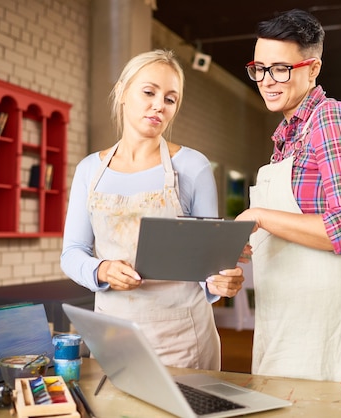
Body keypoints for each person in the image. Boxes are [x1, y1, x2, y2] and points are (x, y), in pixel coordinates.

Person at [60, 49, 246, 371]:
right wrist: (101, 270)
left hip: (181, 338)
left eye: (170, 99)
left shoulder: (192, 167)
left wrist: (220, 281)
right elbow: (72, 253)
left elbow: (208, 262)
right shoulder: (90, 170)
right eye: (149, 92)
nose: (159, 105)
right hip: (114, 336)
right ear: (122, 92)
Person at [235, 9, 341, 383]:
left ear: (312, 69)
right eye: (259, 68)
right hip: (281, 314)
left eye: (281, 68)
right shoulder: (287, 137)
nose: (267, 81)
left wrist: (260, 216)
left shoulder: (331, 119)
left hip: (319, 324)